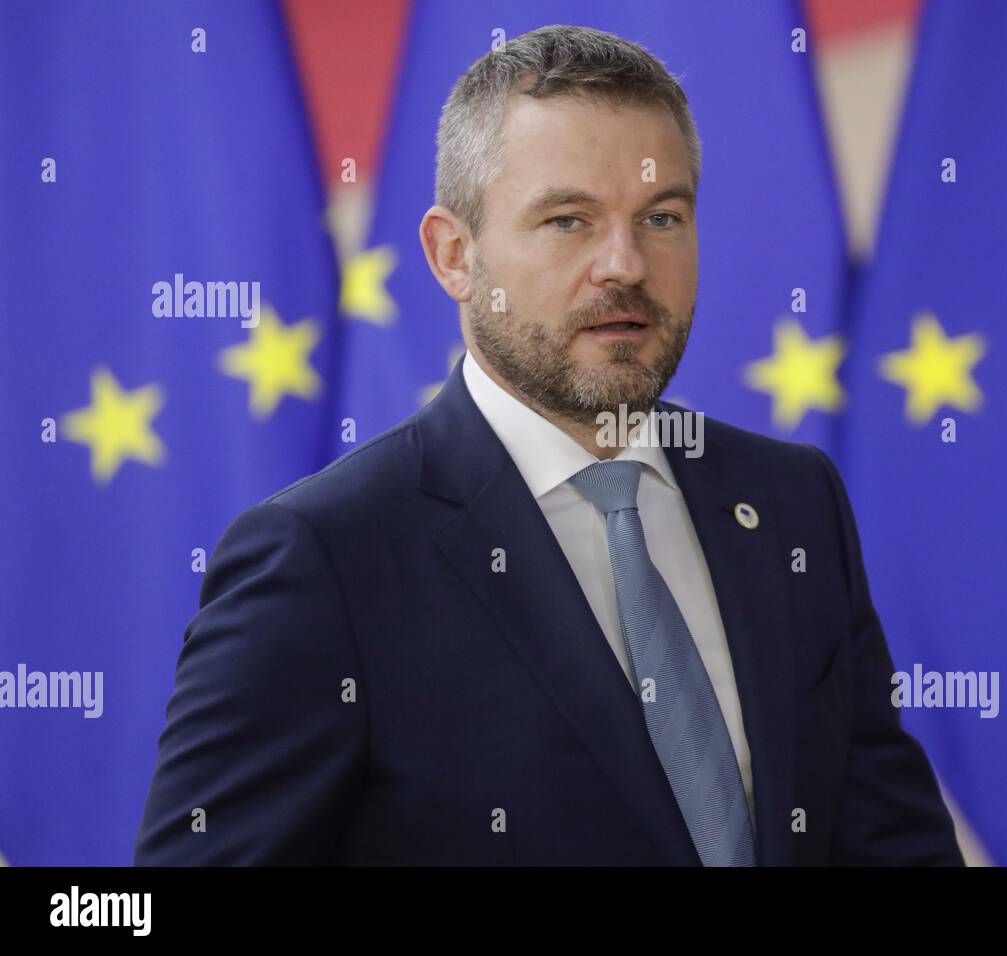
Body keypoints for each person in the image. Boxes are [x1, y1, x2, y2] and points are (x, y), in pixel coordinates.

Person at [134, 24, 962, 866]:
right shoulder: (325, 560)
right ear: (454, 256)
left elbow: (892, 845)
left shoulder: (792, 503)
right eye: (569, 219)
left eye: (662, 217)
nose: (625, 265)